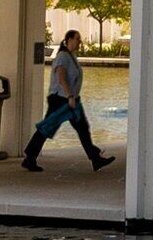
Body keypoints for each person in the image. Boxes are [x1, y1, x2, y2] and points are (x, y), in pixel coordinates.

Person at [22, 27, 110, 171]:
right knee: (48, 127)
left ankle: (95, 158)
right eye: (77, 39)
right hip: (61, 99)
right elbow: (61, 78)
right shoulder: (62, 56)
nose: (79, 42)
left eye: (79, 39)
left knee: (82, 128)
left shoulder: (71, 56)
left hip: (72, 99)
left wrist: (73, 97)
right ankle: (30, 157)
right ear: (68, 40)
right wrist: (70, 96)